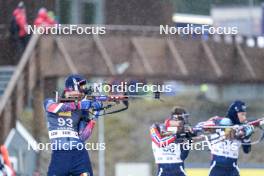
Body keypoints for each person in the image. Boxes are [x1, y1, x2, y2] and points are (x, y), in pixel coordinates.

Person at [43, 74, 102, 176]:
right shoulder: (51, 102)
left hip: (79, 154)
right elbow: (51, 108)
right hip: (60, 155)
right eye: (80, 90)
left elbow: (83, 136)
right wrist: (78, 104)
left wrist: (95, 115)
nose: (81, 93)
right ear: (70, 89)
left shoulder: (81, 110)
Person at [199, 100, 254, 176]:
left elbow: (247, 150)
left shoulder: (243, 128)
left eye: (245, 115)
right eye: (242, 114)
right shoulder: (218, 122)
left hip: (232, 168)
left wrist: (247, 137)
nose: (244, 118)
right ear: (235, 114)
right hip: (217, 167)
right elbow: (201, 127)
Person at [150, 107, 194, 176]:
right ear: (174, 119)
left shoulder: (183, 131)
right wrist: (176, 136)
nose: (184, 123)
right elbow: (160, 143)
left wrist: (189, 140)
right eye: (181, 120)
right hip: (163, 169)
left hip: (179, 168)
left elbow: (183, 156)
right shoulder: (156, 127)